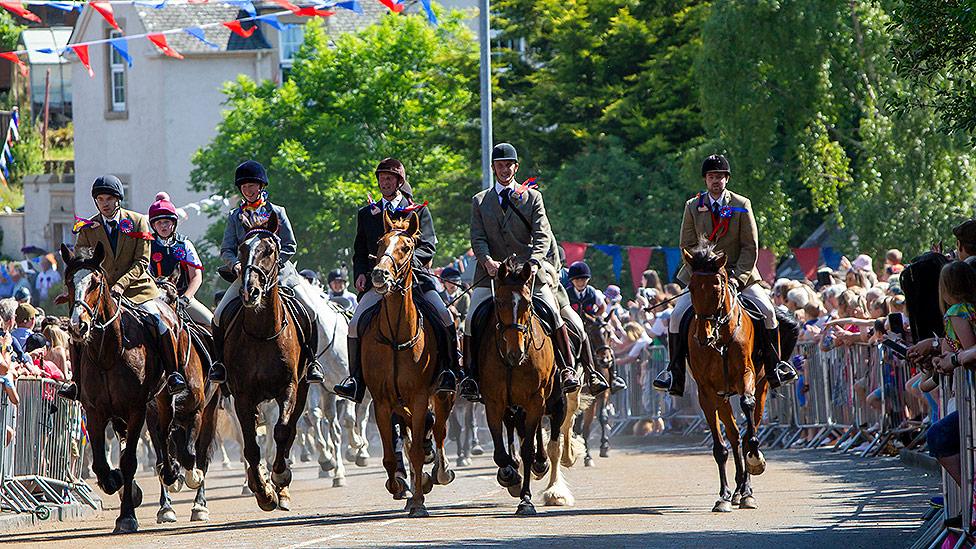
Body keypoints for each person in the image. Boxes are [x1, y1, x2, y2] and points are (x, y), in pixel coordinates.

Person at [460, 143, 609, 401]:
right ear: (493, 168)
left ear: (516, 167)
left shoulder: (532, 198)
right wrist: (486, 261)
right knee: (471, 319)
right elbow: (478, 237)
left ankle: (569, 371)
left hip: (529, 274)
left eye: (509, 165)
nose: (504, 169)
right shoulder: (480, 200)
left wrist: (535, 263)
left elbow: (542, 236)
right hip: (493, 275)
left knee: (554, 313)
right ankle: (471, 377)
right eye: (500, 165)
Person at [654, 154, 797, 396]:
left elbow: (750, 246)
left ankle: (775, 367)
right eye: (711, 177)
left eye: (720, 176)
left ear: (726, 179)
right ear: (705, 180)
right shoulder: (692, 206)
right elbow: (686, 245)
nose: (716, 181)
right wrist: (701, 273)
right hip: (704, 277)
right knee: (677, 316)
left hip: (738, 275)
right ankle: (674, 374)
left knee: (768, 311)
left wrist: (738, 278)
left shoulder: (741, 205)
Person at [334, 158, 460, 403]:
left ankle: (450, 371)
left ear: (400, 182)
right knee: (354, 324)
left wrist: (403, 264)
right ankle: (356, 380)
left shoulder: (418, 210)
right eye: (381, 178)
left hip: (415, 280)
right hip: (379, 283)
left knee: (444, 315)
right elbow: (359, 251)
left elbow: (429, 246)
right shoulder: (367, 213)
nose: (385, 182)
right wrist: (360, 273)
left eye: (389, 178)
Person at [60, 175, 185, 399]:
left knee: (159, 320)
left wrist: (119, 285)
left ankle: (174, 373)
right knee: (77, 328)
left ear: (118, 200)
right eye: (100, 199)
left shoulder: (138, 221)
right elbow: (82, 263)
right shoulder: (87, 228)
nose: (105, 203)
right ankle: (76, 382)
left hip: (138, 289)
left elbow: (142, 262)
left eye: (109, 198)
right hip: (100, 293)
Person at [210, 160, 324, 384]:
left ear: (261, 187)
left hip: (280, 272)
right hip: (247, 274)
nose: (247, 190)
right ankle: (220, 364)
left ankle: (312, 362)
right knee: (218, 314)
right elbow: (227, 248)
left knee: (310, 311)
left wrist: (275, 264)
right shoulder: (235, 216)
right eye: (243, 187)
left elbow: (290, 244)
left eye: (251, 186)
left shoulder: (277, 212)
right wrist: (235, 265)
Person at [147, 192, 213, 326]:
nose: (163, 226)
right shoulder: (147, 245)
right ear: (153, 226)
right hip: (154, 299)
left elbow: (196, 277)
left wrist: (186, 299)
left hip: (182, 298)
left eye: (166, 222)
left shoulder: (185, 244)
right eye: (159, 222)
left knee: (212, 323)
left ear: (174, 223)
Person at [566, 261, 626, 392]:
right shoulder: (567, 293)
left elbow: (602, 306)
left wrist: (595, 316)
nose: (581, 283)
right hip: (573, 325)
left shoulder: (593, 292)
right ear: (572, 281)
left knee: (604, 341)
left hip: (591, 323)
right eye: (578, 280)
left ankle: (613, 377)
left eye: (583, 280)